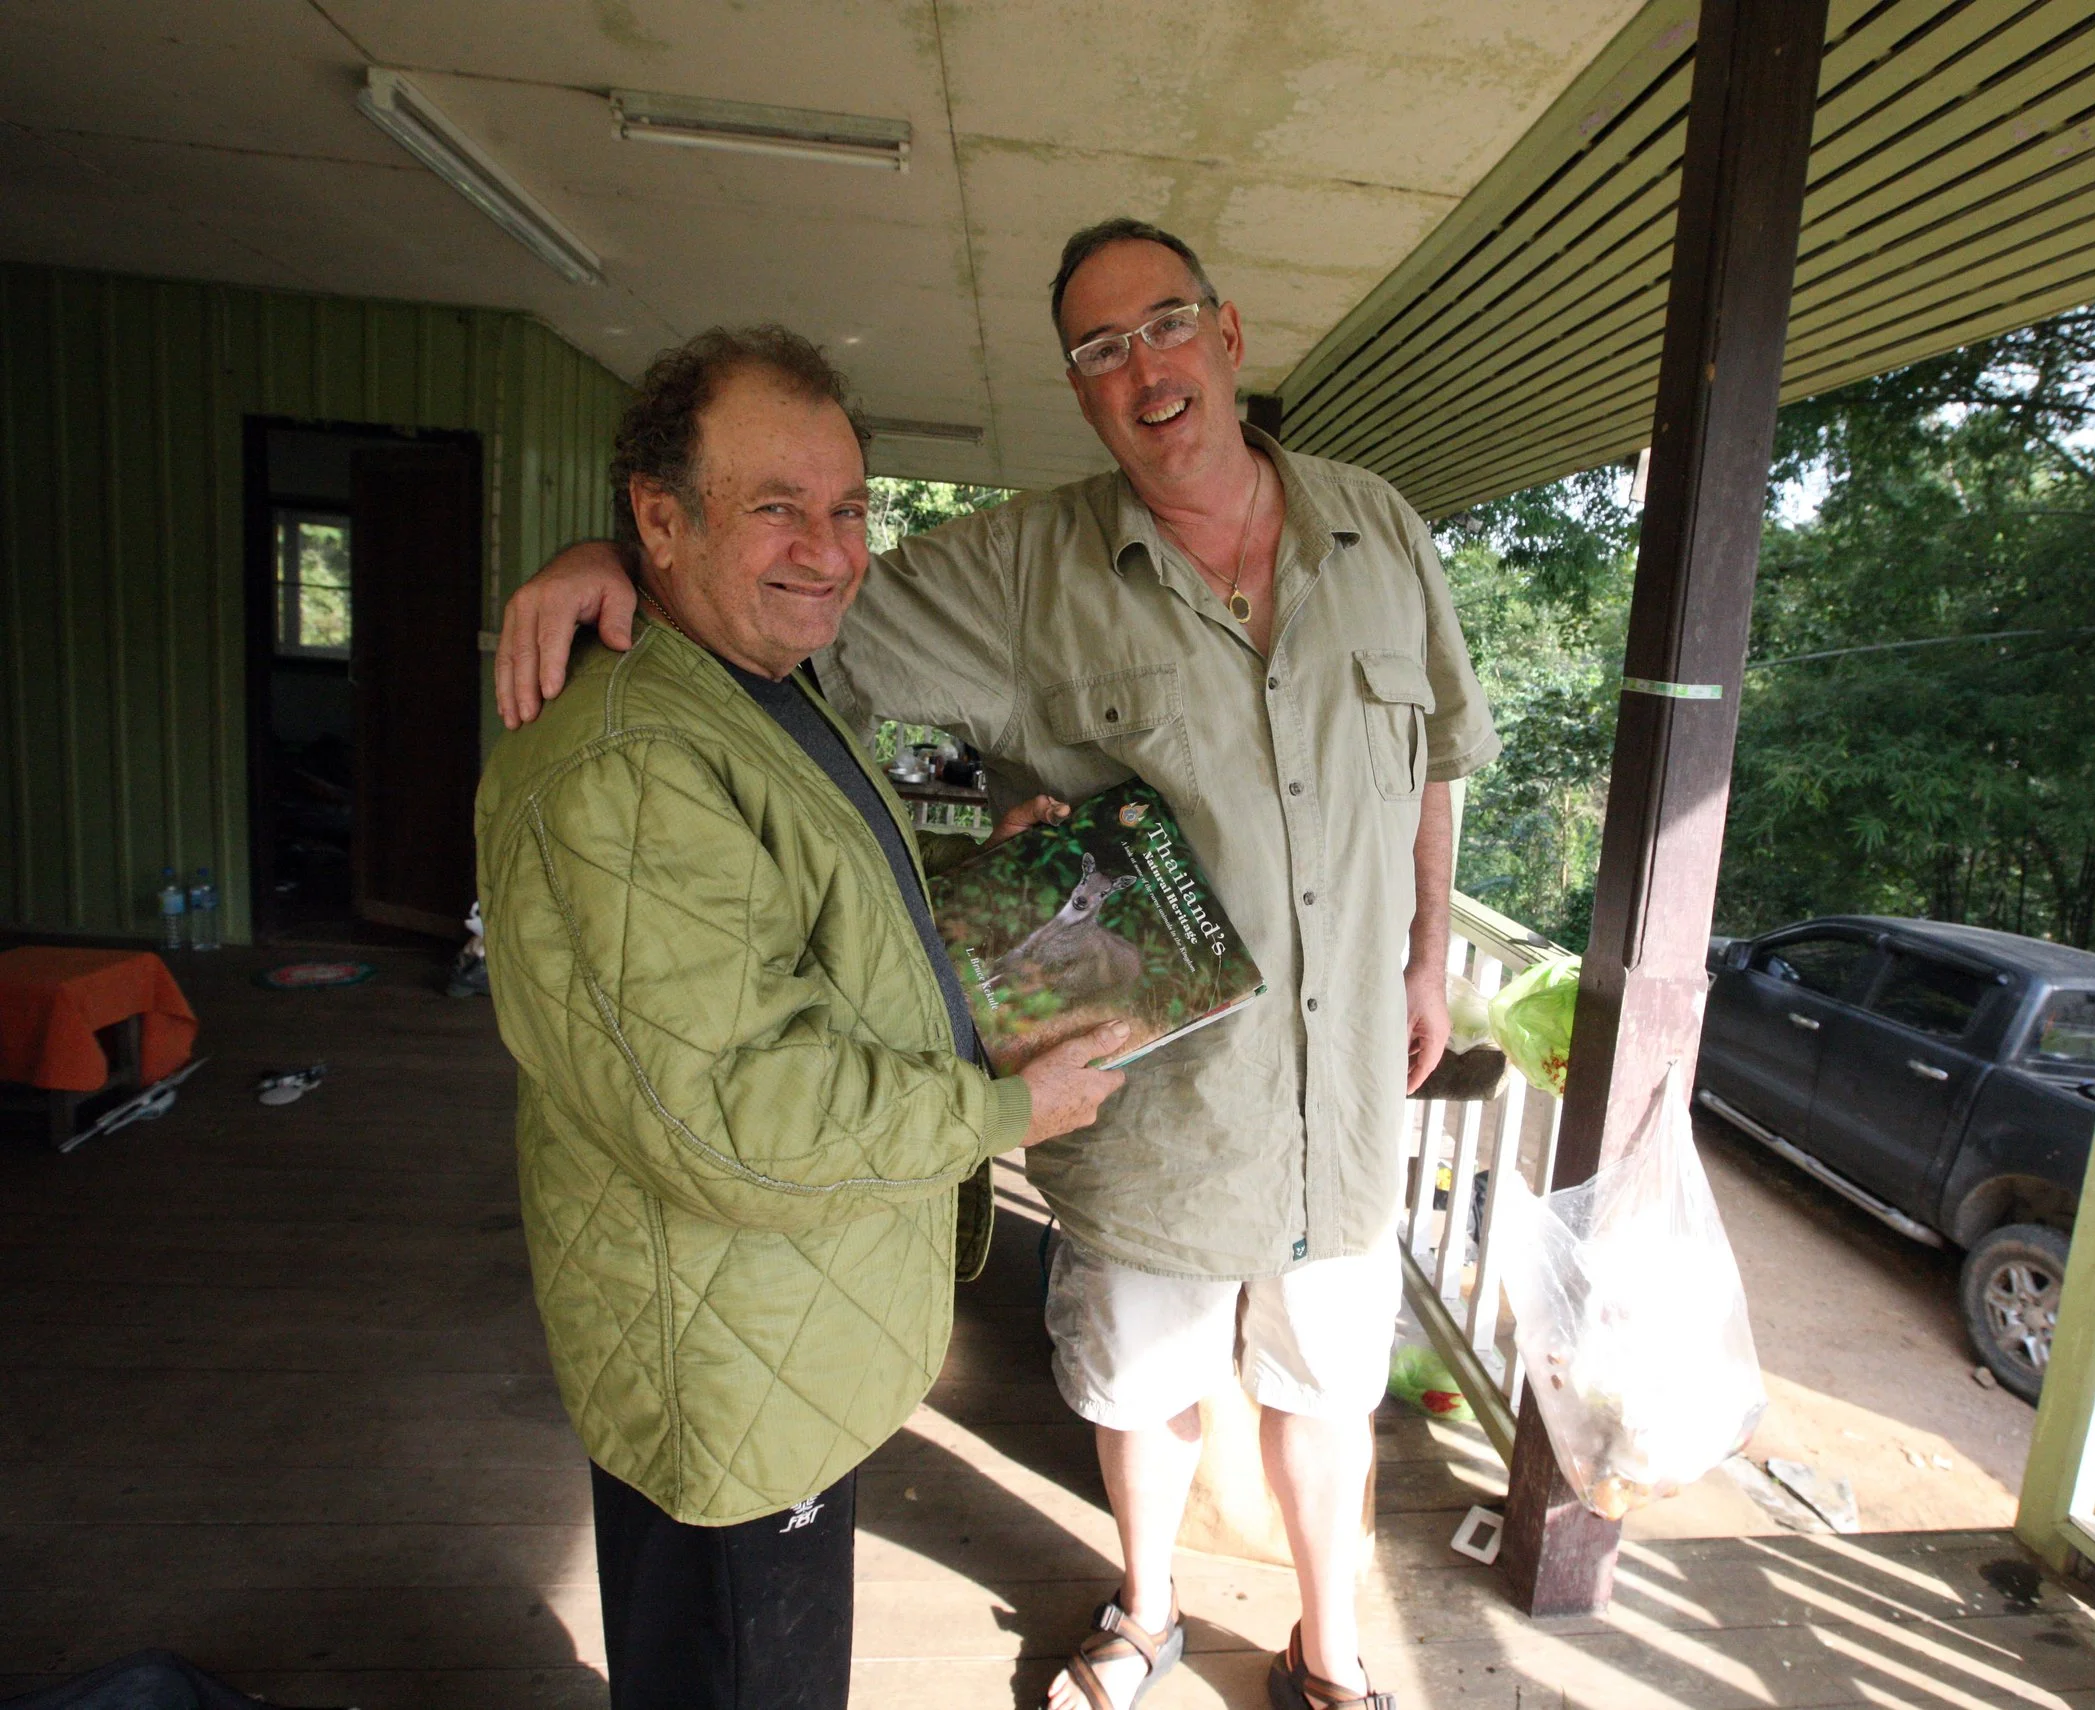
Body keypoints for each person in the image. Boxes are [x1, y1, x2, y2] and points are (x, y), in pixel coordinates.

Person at [495, 222, 1501, 1710]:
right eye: (1099, 352)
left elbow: (1439, 754)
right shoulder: (1025, 562)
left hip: (1345, 1079)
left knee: (1328, 1384)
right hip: (1145, 1093)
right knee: (1143, 1387)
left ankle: (1330, 1651)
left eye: (1163, 327)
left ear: (1226, 336)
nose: (1141, 369)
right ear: (1081, 394)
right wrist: (606, 560)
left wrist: (1429, 951)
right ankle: (1149, 1608)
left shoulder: (1379, 528)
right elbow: (794, 627)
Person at [475, 326, 1125, 1710]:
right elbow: (742, 1113)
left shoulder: (750, 690)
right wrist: (1012, 1110)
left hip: (770, 1340)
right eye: (778, 507)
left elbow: (808, 929)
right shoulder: (635, 764)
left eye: (846, 509)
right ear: (659, 517)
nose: (830, 549)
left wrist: (981, 885)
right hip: (732, 1374)